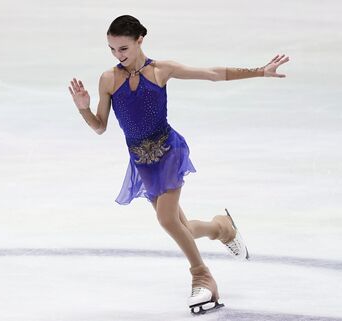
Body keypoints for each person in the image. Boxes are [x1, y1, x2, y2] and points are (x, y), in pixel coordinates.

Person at [68, 14, 289, 314]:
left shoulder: (161, 70)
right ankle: (221, 228)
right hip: (142, 162)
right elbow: (100, 126)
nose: (118, 55)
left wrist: (259, 71)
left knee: (167, 220)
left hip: (169, 151)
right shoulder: (109, 79)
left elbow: (211, 73)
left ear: (139, 40)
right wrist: (83, 109)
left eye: (123, 48)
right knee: (180, 225)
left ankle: (203, 277)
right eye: (112, 49)